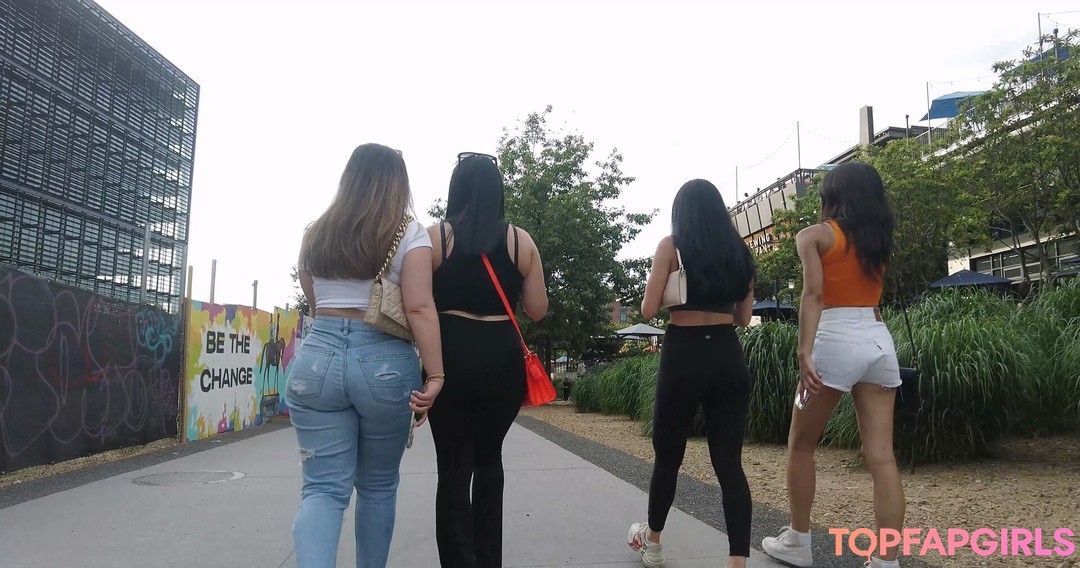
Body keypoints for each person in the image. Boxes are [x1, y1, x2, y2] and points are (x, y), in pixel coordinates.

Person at [287, 143, 445, 568]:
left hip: (317, 359)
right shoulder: (410, 233)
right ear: (398, 184)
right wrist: (436, 375)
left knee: (322, 489)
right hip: (384, 363)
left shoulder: (315, 233)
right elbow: (418, 307)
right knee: (377, 486)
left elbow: (316, 301)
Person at [761, 162, 905, 568]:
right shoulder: (879, 241)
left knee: (801, 444)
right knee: (882, 456)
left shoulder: (815, 236)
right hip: (877, 339)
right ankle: (886, 560)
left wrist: (804, 352)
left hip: (834, 339)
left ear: (832, 195)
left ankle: (798, 542)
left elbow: (814, 296)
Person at [425, 152, 548, 568]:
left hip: (450, 357)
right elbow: (537, 310)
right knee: (489, 457)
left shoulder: (436, 238)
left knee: (452, 468)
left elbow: (417, 303)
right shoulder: (520, 241)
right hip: (501, 359)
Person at [627, 179, 757, 568]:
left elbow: (649, 309)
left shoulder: (671, 247)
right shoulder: (741, 252)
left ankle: (653, 543)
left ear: (681, 213)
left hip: (683, 352)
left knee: (668, 455)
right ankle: (737, 561)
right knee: (729, 463)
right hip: (726, 352)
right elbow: (744, 318)